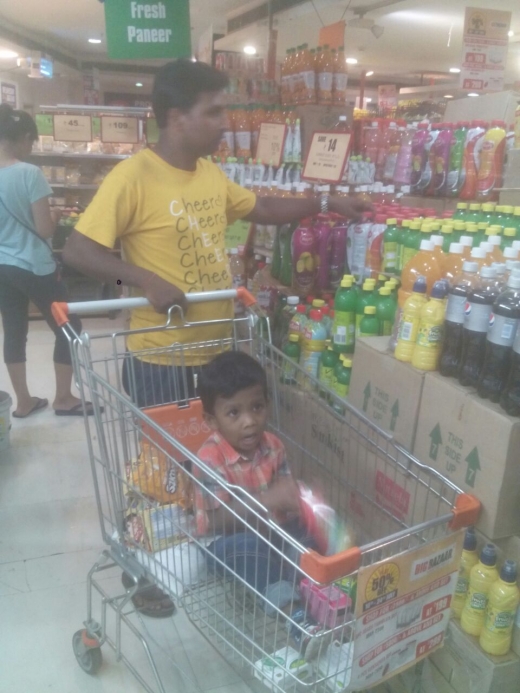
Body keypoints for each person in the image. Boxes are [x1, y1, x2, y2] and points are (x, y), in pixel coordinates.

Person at [62, 59, 368, 614]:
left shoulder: (210, 174)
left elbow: (265, 207)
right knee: (163, 479)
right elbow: (78, 249)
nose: (225, 123)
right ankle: (152, 572)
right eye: (215, 111)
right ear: (177, 116)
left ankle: (215, 553)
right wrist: (145, 278)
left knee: (215, 474)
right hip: (160, 359)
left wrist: (326, 203)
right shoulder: (133, 177)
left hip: (216, 359)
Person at [196, 351, 309, 616]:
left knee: (307, 532)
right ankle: (294, 614)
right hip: (227, 545)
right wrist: (268, 499)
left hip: (272, 532)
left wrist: (301, 500)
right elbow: (217, 521)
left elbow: (285, 500)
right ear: (212, 420)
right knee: (250, 548)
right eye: (234, 413)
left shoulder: (273, 446)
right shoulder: (209, 458)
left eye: (257, 407)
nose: (249, 421)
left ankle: (318, 590)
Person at [0, 104, 92, 418]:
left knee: (13, 330)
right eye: (31, 141)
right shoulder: (29, 173)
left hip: (2, 267)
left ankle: (23, 401)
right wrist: (53, 215)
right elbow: (44, 229)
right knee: (70, 326)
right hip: (34, 265)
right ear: (23, 137)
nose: (31, 148)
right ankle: (64, 397)